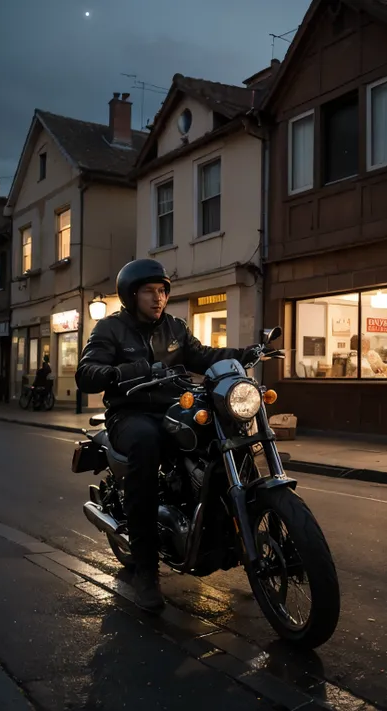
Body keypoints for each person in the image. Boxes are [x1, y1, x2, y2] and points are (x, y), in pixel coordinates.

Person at [76, 259, 266, 613]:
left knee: (216, 434)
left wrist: (245, 353)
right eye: (149, 291)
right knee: (147, 445)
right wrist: (123, 372)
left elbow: (204, 356)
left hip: (174, 406)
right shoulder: (110, 329)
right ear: (132, 295)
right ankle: (147, 568)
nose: (158, 298)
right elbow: (86, 372)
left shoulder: (175, 328)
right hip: (130, 413)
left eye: (162, 291)